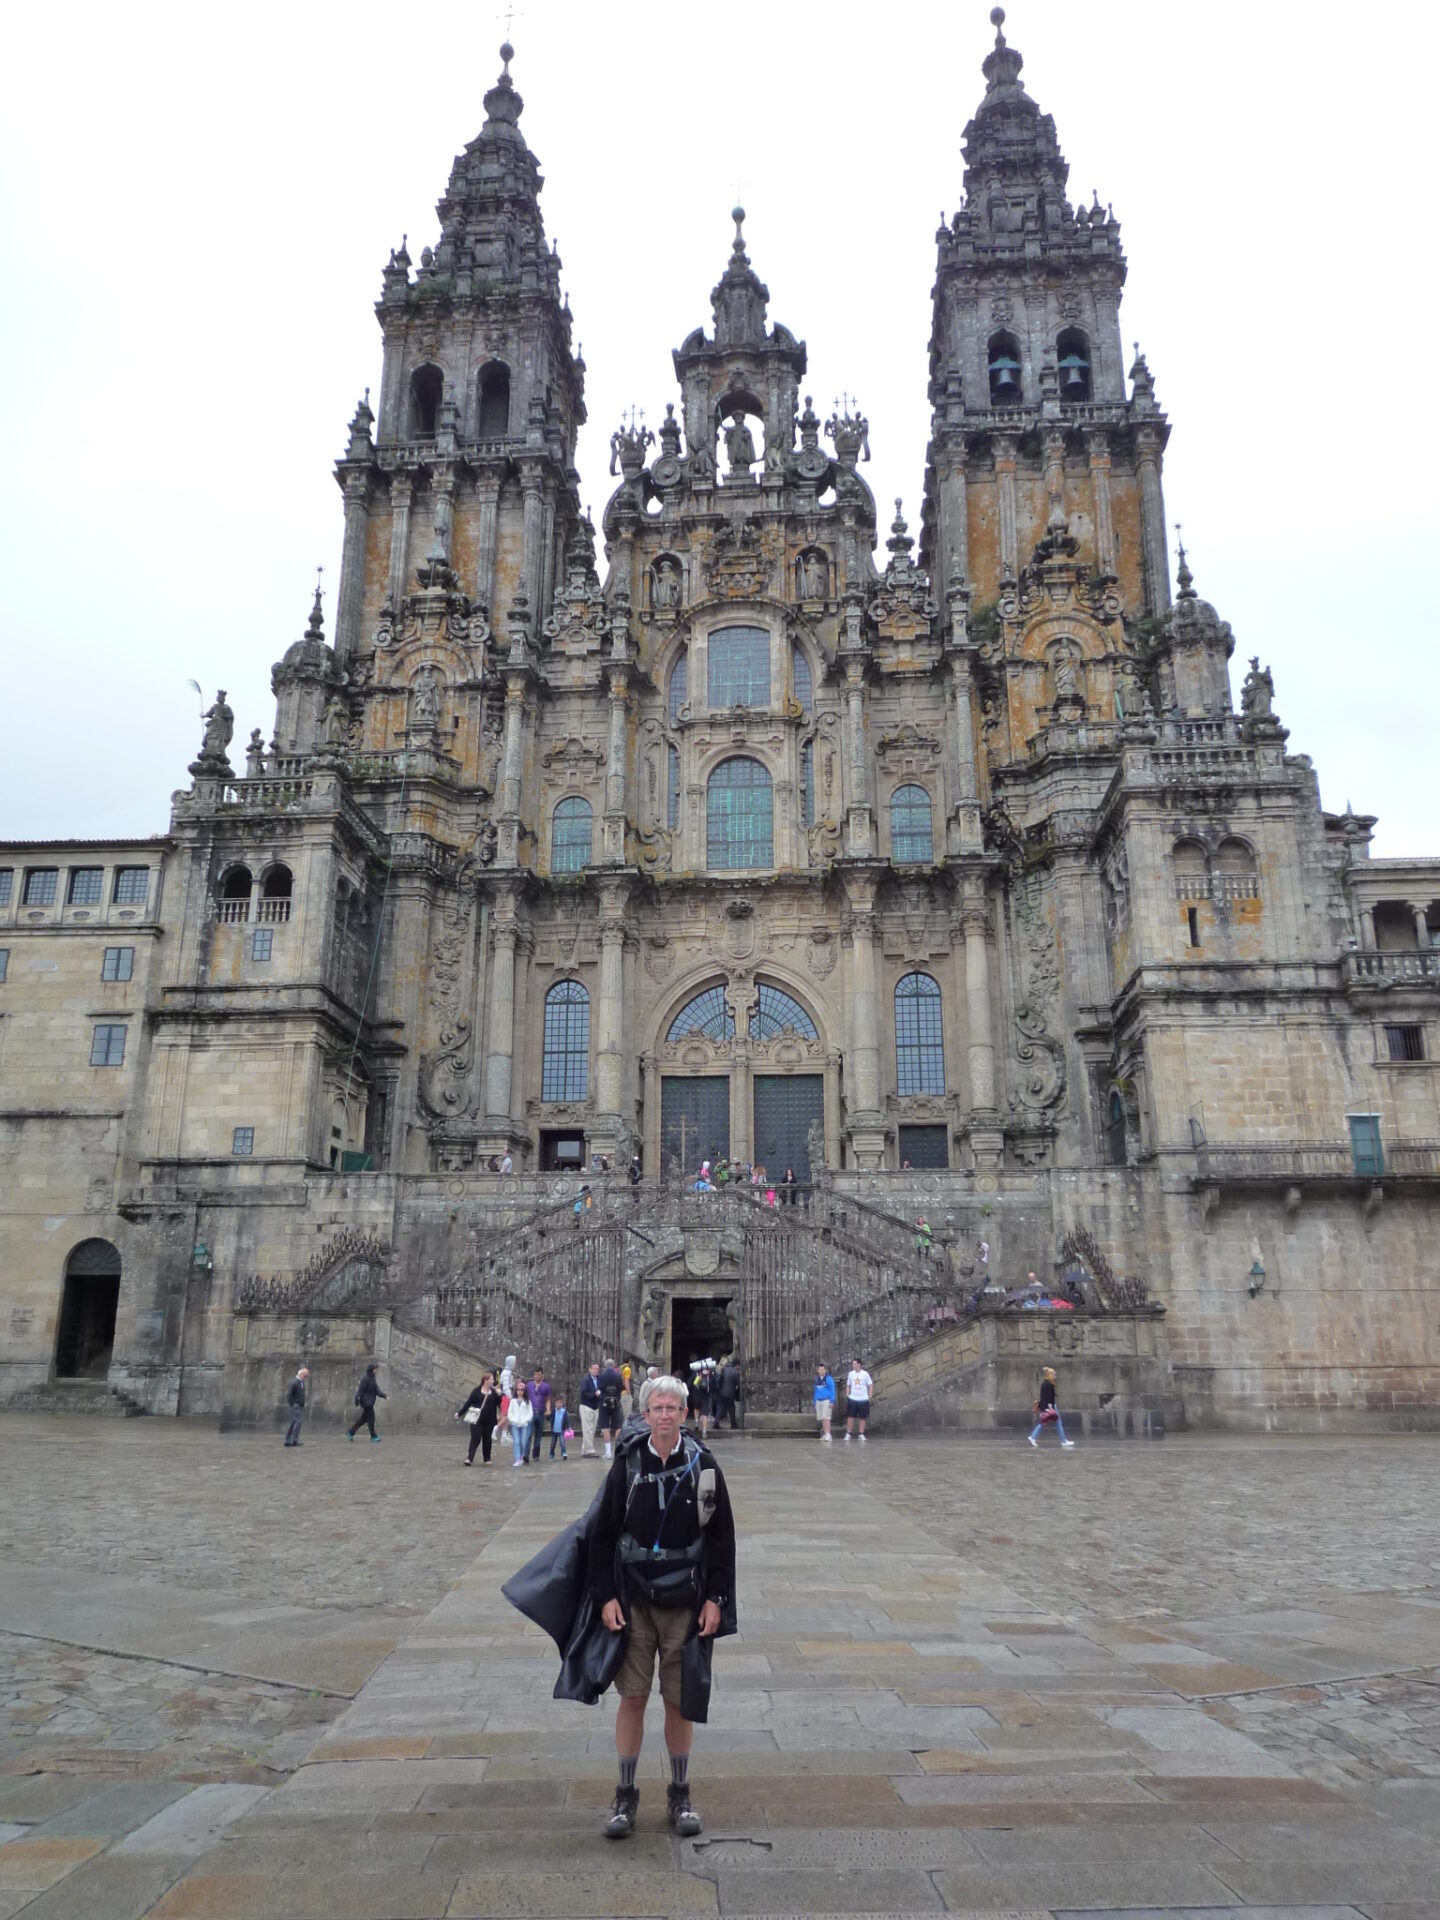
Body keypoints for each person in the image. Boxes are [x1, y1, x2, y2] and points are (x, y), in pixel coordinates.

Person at [590, 1376, 736, 1840]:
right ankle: (625, 1794)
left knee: (678, 1699)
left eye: (673, 1407)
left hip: (685, 1602)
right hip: (634, 1599)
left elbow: (721, 1539)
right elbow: (600, 1535)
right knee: (632, 1697)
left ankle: (679, 1792)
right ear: (646, 1414)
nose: (666, 1415)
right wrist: (605, 1596)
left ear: (685, 1414)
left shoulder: (704, 1467)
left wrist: (716, 1599)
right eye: (658, 1407)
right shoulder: (628, 1464)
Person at [457, 1372, 501, 1465]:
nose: (493, 1381)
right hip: (477, 1420)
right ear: (485, 1380)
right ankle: (469, 1458)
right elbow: (468, 1403)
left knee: (487, 1439)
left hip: (490, 1420)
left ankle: (487, 1458)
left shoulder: (494, 1392)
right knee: (475, 1438)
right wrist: (459, 1413)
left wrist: (499, 1395)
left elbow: (500, 1404)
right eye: (491, 1379)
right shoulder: (476, 1391)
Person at [1028, 1366, 1075, 1449]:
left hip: (1044, 1406)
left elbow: (1043, 1396)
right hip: (1050, 1406)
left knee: (1046, 1422)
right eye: (1054, 1375)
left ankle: (1063, 1441)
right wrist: (1050, 1408)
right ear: (1050, 1375)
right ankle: (1063, 1441)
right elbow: (1050, 1398)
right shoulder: (1050, 1384)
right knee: (1053, 1423)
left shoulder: (1044, 1383)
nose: (1055, 1377)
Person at [348, 1363, 386, 1443]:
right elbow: (360, 1390)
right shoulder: (365, 1379)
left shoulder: (372, 1379)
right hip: (366, 1403)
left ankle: (351, 1432)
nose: (376, 1370)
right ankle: (373, 1436)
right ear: (371, 1370)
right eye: (374, 1369)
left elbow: (377, 1390)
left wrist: (384, 1396)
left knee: (363, 1419)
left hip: (370, 1402)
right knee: (371, 1419)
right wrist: (357, 1399)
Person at [597, 1356, 625, 1459]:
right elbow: (621, 1388)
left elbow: (599, 1388)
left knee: (605, 1428)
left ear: (605, 1366)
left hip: (604, 1403)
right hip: (616, 1403)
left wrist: (601, 1396)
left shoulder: (601, 1376)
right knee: (618, 1427)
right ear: (614, 1366)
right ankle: (617, 1450)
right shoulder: (618, 1376)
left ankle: (608, 1452)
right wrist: (617, 1397)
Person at [843, 1356, 873, 1443]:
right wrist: (847, 1394)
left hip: (863, 1399)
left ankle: (861, 1434)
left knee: (863, 1417)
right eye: (853, 1364)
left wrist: (870, 1395)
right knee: (850, 1416)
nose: (853, 1365)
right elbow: (848, 1384)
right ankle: (848, 1433)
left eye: (855, 1364)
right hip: (853, 1398)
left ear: (859, 1364)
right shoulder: (851, 1374)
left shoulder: (865, 1374)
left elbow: (870, 1384)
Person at [579, 1360, 604, 1457]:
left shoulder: (599, 1379)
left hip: (595, 1407)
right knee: (587, 1429)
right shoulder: (586, 1380)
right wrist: (594, 1394)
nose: (596, 1370)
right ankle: (589, 1450)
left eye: (597, 1369)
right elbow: (583, 1393)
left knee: (592, 1430)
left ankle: (584, 1449)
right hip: (587, 1406)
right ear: (590, 1369)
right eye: (594, 1368)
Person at [507, 1380, 534, 1466]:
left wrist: (526, 1420)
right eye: (518, 1390)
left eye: (522, 1390)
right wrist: (512, 1420)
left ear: (524, 1391)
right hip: (515, 1424)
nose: (520, 1392)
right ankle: (517, 1459)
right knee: (516, 1441)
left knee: (523, 1441)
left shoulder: (527, 1402)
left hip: (524, 1424)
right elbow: (510, 1412)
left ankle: (521, 1455)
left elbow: (530, 1413)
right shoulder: (513, 1401)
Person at [528, 1366, 552, 1463]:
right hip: (531, 1412)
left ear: (542, 1375)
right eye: (535, 1374)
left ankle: (536, 1454)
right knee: (528, 1434)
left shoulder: (546, 1386)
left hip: (541, 1412)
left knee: (538, 1435)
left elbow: (547, 1400)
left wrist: (548, 1409)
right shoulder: (529, 1385)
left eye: (538, 1374)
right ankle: (526, 1454)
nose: (536, 1376)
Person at [283, 1366, 309, 1447]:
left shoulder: (301, 1382)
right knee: (298, 1421)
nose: (306, 1378)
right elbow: (289, 1395)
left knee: (293, 1422)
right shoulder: (295, 1382)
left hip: (299, 1405)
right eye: (305, 1376)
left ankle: (288, 1440)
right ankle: (294, 1440)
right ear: (301, 1374)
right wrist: (293, 1403)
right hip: (295, 1405)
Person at [713, 1357, 739, 1430]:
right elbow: (738, 1383)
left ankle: (716, 1423)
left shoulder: (724, 1369)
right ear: (737, 1365)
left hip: (721, 1392)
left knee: (722, 1408)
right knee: (731, 1408)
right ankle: (733, 1424)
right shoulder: (736, 1372)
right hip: (729, 1394)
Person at [689, 1359, 712, 1439]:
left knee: (696, 1408)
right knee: (705, 1414)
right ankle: (704, 1432)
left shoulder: (696, 1373)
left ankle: (696, 1422)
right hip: (706, 1396)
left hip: (697, 1395)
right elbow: (715, 1385)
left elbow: (690, 1383)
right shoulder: (710, 1373)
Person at [813, 1362, 836, 1443]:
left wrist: (832, 1400)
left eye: (823, 1370)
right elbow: (816, 1391)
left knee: (826, 1418)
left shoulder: (828, 1379)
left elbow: (832, 1389)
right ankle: (825, 1434)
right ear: (818, 1370)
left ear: (825, 1370)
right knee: (822, 1418)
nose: (821, 1371)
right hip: (819, 1401)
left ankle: (828, 1434)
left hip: (826, 1400)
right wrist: (815, 1402)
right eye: (820, 1370)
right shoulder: (817, 1380)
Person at [549, 1386, 569, 1460]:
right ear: (555, 1403)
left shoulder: (564, 1412)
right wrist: (547, 1415)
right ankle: (551, 1454)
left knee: (562, 1442)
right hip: (554, 1430)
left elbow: (567, 1420)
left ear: (562, 1403)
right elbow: (550, 1418)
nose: (559, 1404)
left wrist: (568, 1427)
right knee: (553, 1444)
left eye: (560, 1403)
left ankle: (564, 1453)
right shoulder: (553, 1411)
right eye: (557, 1403)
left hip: (561, 1430)